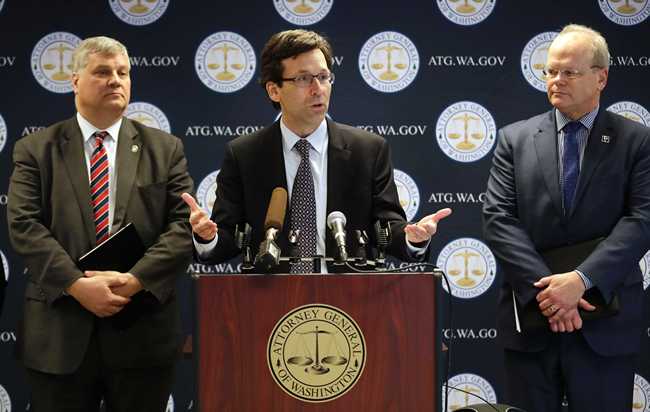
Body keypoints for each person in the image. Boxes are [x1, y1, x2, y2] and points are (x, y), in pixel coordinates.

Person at [7, 36, 193, 412]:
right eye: (103, 72)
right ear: (75, 81)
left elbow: (181, 227)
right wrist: (76, 285)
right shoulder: (36, 149)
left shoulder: (165, 148)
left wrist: (136, 279)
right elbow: (24, 225)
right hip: (60, 336)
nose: (116, 80)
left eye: (123, 72)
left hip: (142, 332)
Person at [182, 29, 451, 272]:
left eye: (323, 77)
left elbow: (387, 228)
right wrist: (207, 238)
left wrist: (412, 238)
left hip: (350, 297)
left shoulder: (368, 150)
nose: (317, 89)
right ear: (274, 90)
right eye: (303, 79)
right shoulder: (244, 154)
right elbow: (227, 238)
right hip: (271, 298)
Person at [483, 24, 650, 412]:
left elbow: (641, 219)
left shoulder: (636, 142)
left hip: (605, 323)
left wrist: (580, 281)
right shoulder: (514, 139)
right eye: (551, 71)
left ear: (600, 77)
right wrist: (550, 294)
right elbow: (498, 219)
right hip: (532, 321)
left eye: (569, 72)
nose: (556, 80)